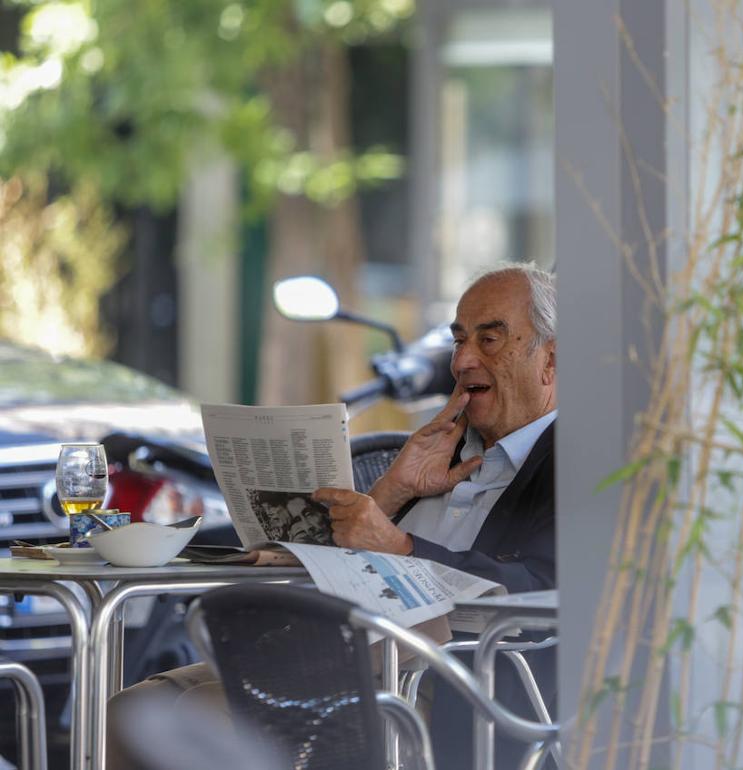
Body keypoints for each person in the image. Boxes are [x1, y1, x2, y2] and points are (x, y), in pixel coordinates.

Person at [106, 263, 558, 769]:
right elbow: (356, 552)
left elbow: (543, 590)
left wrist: (400, 548)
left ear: (551, 360)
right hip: (338, 653)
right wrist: (393, 490)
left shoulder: (573, 462)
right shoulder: (444, 446)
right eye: (458, 341)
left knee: (202, 718)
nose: (462, 360)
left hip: (449, 684)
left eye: (489, 340)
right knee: (132, 711)